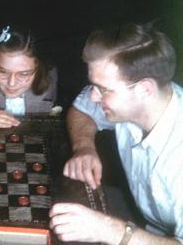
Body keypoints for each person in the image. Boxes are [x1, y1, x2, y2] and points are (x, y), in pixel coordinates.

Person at [50, 23, 183, 244]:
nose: (94, 96)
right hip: (145, 223)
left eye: (104, 89)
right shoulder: (137, 102)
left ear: (144, 89)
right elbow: (82, 109)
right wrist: (84, 147)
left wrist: (110, 230)